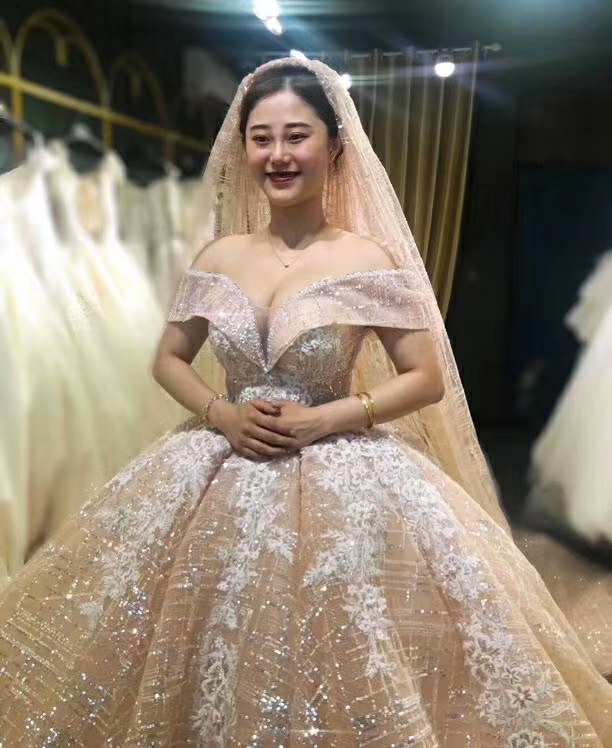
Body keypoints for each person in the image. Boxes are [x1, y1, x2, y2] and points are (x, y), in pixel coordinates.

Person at [0, 57, 611, 747]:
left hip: (342, 471)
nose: (278, 155)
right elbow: (168, 358)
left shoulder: (367, 258)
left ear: (335, 145)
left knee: (350, 639)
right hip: (216, 466)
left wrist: (330, 416)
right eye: (261, 138)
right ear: (243, 148)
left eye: (297, 136)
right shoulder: (218, 257)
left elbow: (424, 377)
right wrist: (220, 413)